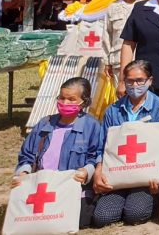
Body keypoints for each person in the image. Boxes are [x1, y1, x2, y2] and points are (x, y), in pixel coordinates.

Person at [14, 77, 102, 228]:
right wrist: (23, 173)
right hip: (42, 189)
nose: (65, 103)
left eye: (71, 99)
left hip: (73, 189)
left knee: (79, 220)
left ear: (84, 102)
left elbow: (95, 157)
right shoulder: (44, 124)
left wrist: (86, 172)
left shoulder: (92, 126)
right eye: (62, 98)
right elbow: (26, 156)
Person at [92, 60, 159, 227]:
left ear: (150, 81)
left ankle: (152, 203)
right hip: (117, 178)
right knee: (102, 217)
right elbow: (102, 145)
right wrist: (98, 171)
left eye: (140, 80)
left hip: (146, 181)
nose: (135, 85)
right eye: (130, 81)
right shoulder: (113, 110)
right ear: (123, 81)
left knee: (135, 214)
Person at [104, 0, 142, 88]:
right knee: (122, 94)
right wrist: (106, 62)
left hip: (141, 59)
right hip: (118, 61)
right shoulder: (113, 7)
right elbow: (106, 35)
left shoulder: (146, 5)